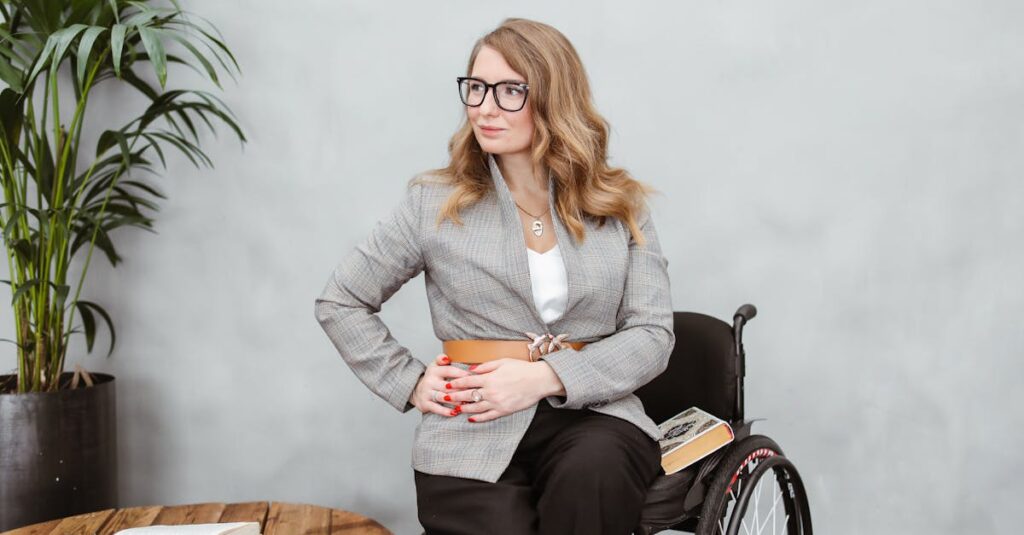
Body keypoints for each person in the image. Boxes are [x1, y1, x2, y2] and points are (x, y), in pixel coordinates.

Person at [314, 17, 675, 535]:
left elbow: (652, 335)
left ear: (552, 98)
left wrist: (545, 377)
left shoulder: (620, 206)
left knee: (590, 476)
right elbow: (340, 301)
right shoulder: (432, 202)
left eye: (510, 91)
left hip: (594, 416)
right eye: (477, 88)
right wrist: (410, 381)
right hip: (472, 423)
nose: (485, 106)